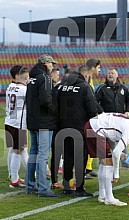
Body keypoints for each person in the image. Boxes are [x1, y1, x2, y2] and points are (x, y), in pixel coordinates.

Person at [84, 113, 129, 206]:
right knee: (108, 163)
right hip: (95, 128)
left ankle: (102, 195)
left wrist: (123, 155)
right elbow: (116, 153)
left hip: (93, 125)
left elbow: (115, 146)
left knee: (104, 162)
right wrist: (116, 173)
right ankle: (109, 198)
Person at [57, 65, 101, 197]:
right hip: (79, 127)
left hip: (63, 126)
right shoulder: (84, 87)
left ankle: (67, 187)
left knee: (68, 157)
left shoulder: (63, 86)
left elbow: (55, 103)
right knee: (80, 158)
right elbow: (92, 109)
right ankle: (79, 189)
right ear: (86, 74)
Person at [26, 54, 59, 197]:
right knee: (43, 155)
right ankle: (43, 188)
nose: (52, 66)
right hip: (44, 121)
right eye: (51, 63)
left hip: (32, 120)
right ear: (46, 63)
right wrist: (55, 113)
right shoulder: (45, 78)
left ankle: (30, 185)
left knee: (33, 152)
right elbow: (46, 100)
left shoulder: (32, 78)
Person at [96, 67, 129, 168]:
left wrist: (127, 111)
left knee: (123, 140)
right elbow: (95, 101)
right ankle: (103, 162)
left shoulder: (123, 88)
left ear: (117, 75)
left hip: (120, 120)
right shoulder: (101, 88)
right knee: (107, 142)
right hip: (107, 122)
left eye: (112, 73)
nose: (110, 75)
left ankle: (125, 162)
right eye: (108, 73)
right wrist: (101, 112)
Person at [5, 66, 30, 188]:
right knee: (18, 150)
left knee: (18, 149)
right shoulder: (24, 89)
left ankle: (13, 175)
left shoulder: (10, 87)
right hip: (18, 124)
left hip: (9, 121)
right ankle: (14, 180)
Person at [84, 58, 101, 178]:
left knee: (90, 141)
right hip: (85, 117)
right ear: (93, 68)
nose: (100, 70)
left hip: (90, 116)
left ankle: (88, 168)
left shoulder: (90, 80)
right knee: (85, 142)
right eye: (98, 67)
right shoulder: (86, 80)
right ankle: (83, 169)